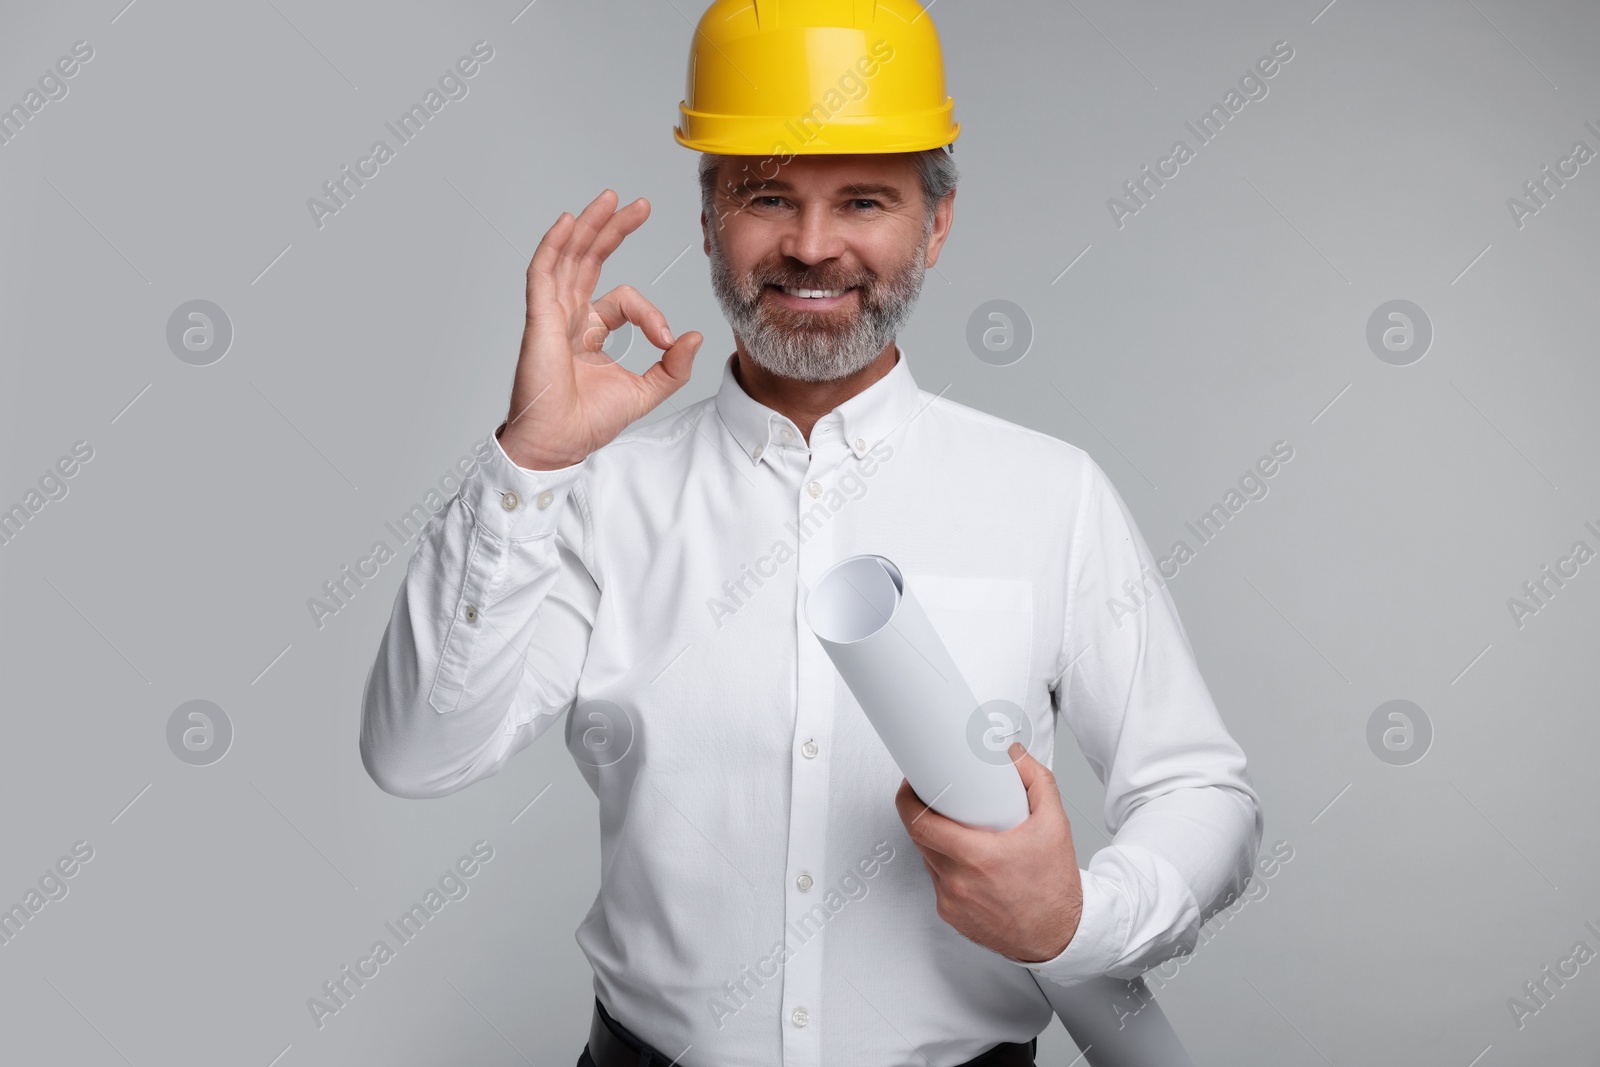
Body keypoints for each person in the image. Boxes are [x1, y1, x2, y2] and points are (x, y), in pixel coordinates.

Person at [359, 3, 1263, 1065]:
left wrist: (1079, 917)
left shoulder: (1048, 494)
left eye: (864, 199)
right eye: (766, 195)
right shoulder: (599, 499)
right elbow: (418, 752)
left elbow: (1201, 792)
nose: (811, 244)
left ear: (935, 221)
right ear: (708, 219)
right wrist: (530, 462)